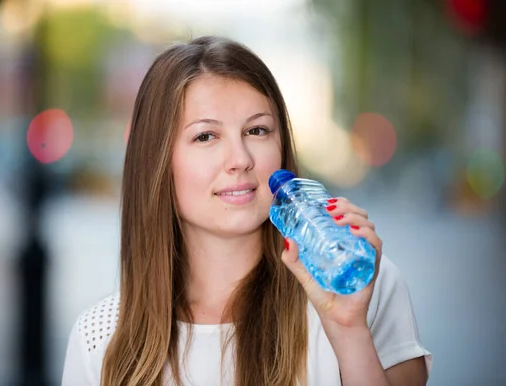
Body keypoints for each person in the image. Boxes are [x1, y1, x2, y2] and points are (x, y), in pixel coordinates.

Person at [62, 35, 432, 386]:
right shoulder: (100, 336)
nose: (240, 160)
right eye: (205, 136)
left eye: (257, 131)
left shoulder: (362, 287)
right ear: (156, 162)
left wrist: (350, 332)